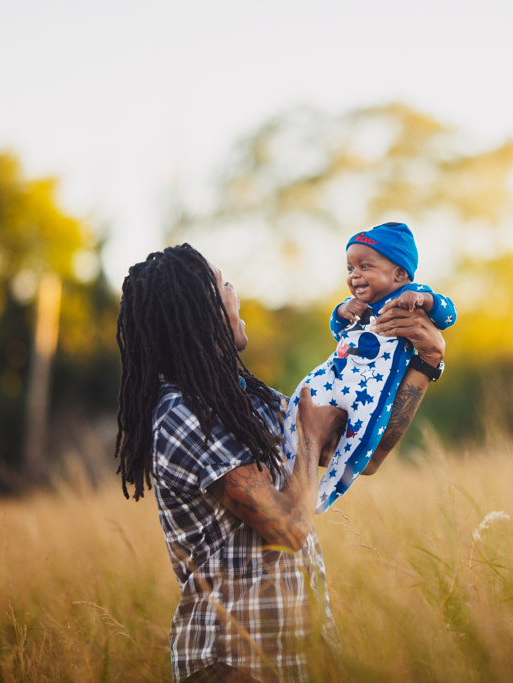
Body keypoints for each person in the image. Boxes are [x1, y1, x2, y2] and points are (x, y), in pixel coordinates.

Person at [113, 243, 445, 683]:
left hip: (296, 659)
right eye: (225, 284)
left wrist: (425, 362)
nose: (236, 293)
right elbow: (287, 529)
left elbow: (366, 458)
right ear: (203, 309)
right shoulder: (183, 413)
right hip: (232, 664)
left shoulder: (246, 400)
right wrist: (308, 438)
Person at [282, 222, 455, 513]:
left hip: (373, 389)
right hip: (336, 375)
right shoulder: (356, 305)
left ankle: (324, 494)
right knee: (303, 396)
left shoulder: (411, 294)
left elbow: (448, 312)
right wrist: (340, 311)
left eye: (365, 266)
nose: (355, 275)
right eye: (350, 268)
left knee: (362, 438)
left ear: (399, 273)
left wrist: (425, 300)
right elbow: (338, 332)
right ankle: (288, 472)